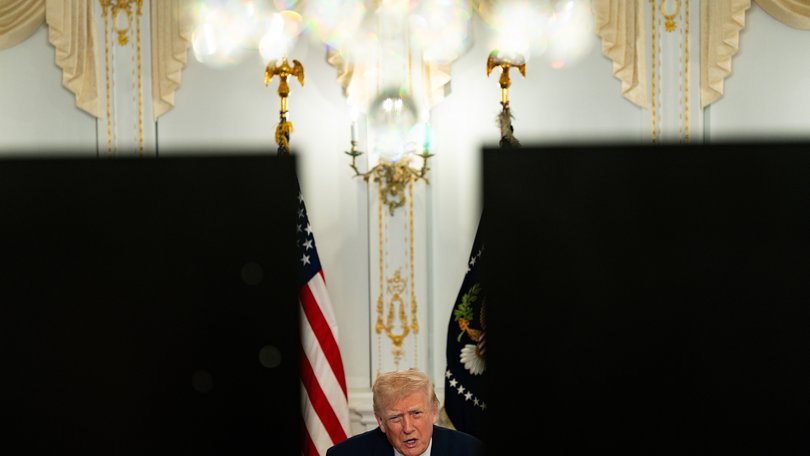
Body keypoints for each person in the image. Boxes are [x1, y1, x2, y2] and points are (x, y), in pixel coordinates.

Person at [326, 367, 485, 456]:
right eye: (395, 418)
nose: (408, 428)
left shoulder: (470, 451)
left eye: (416, 413)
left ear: (433, 412)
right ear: (381, 421)